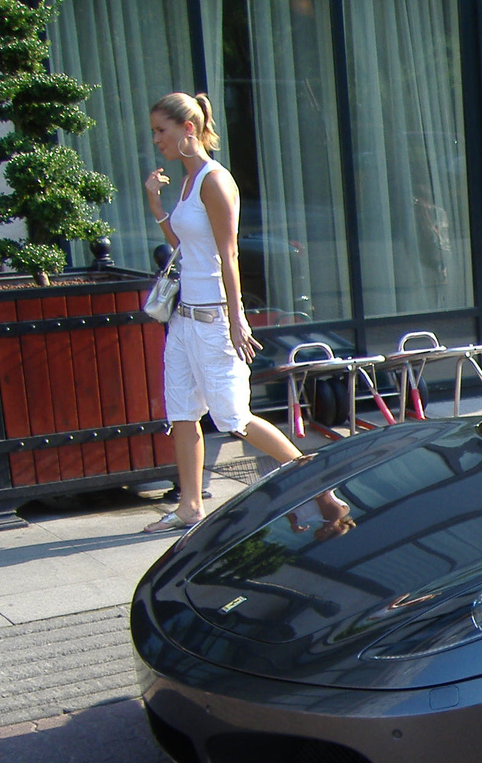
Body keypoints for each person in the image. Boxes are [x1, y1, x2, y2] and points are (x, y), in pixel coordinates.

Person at [142, 92, 305, 534]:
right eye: (155, 130)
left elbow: (228, 255)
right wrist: (158, 207)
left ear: (188, 130)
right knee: (181, 411)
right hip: (183, 318)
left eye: (162, 130)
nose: (156, 139)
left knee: (234, 418)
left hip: (213, 316)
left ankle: (313, 479)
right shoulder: (188, 182)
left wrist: (237, 318)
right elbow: (186, 250)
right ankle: (189, 506)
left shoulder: (215, 180)